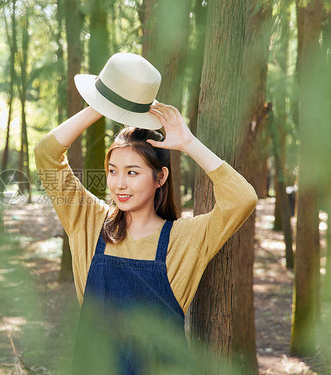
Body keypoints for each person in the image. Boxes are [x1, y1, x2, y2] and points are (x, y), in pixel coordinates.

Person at [33, 53, 257, 374]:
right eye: (112, 170)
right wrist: (104, 104)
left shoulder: (185, 239)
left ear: (160, 177)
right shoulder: (89, 221)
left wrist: (189, 142)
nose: (119, 184)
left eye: (133, 172)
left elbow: (243, 198)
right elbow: (47, 154)